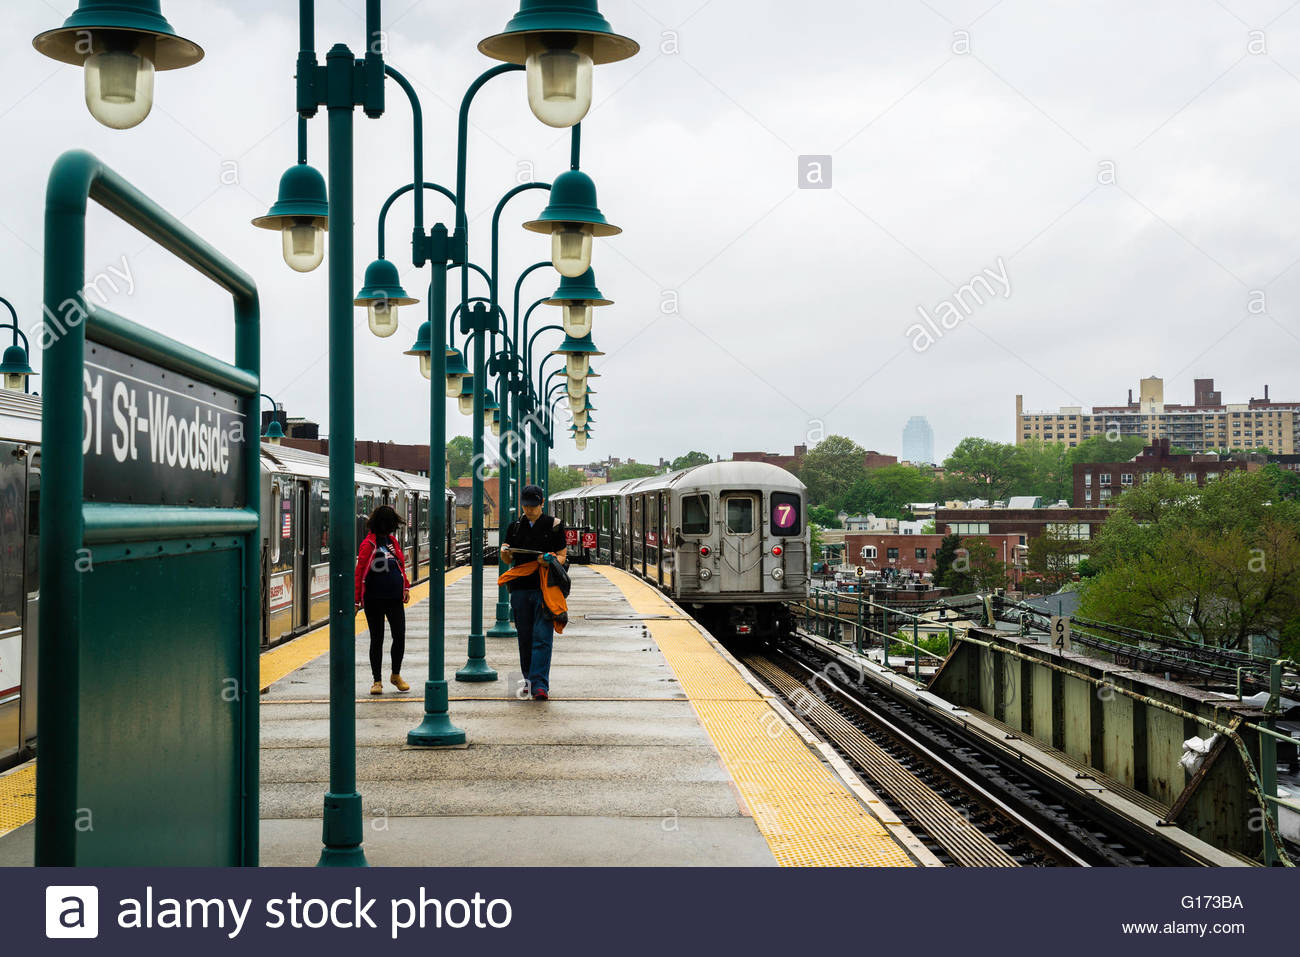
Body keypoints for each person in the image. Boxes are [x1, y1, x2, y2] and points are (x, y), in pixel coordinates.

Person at [499, 484, 567, 700]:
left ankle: (540, 685)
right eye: (526, 506)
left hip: (544, 588)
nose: (529, 510)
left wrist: (549, 560)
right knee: (525, 637)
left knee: (543, 637)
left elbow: (563, 556)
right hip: (519, 588)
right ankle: (528, 679)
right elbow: (507, 558)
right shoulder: (515, 527)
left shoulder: (554, 525)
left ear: (542, 503)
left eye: (534, 506)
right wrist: (505, 553)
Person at [354, 504, 411, 695]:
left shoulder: (392, 543)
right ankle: (376, 680)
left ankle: (396, 675)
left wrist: (406, 586)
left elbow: (400, 566)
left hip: (394, 597)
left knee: (400, 636)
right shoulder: (367, 544)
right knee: (376, 639)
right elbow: (359, 572)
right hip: (373, 598)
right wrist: (356, 600)